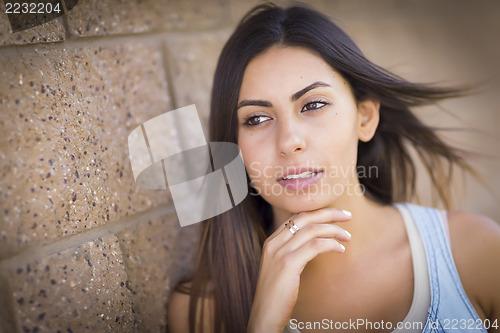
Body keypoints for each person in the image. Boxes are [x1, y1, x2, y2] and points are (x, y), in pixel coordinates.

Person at [167, 3, 500, 333]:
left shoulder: (474, 252)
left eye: (313, 105)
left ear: (365, 117)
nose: (289, 141)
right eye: (256, 118)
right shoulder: (202, 315)